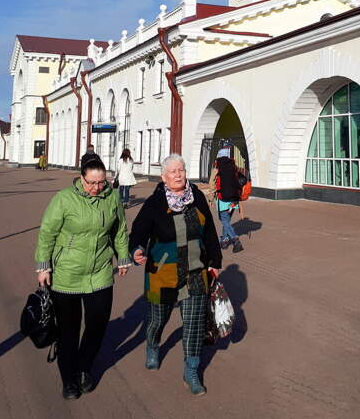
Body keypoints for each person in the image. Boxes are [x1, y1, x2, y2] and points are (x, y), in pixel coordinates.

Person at [34, 158, 131, 400]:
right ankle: (69, 380)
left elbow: (119, 229)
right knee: (69, 331)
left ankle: (84, 368)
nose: (97, 188)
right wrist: (43, 267)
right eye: (92, 183)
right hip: (66, 273)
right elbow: (47, 232)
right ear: (81, 178)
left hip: (99, 272)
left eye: (102, 182)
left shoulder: (112, 197)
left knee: (98, 323)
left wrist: (123, 257)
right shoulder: (64, 199)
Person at [129, 154, 222, 396]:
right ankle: (152, 344)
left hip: (194, 271)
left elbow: (210, 231)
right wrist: (137, 250)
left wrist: (215, 261)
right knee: (157, 320)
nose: (178, 175)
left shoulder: (197, 197)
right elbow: (138, 233)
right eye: (173, 172)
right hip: (162, 274)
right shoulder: (154, 203)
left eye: (181, 170)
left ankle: (191, 370)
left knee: (194, 324)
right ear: (164, 177)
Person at [210, 146, 244, 253]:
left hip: (222, 199)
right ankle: (224, 241)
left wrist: (211, 199)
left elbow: (212, 185)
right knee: (227, 220)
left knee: (224, 220)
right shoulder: (234, 167)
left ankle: (235, 240)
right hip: (234, 200)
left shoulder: (216, 169)